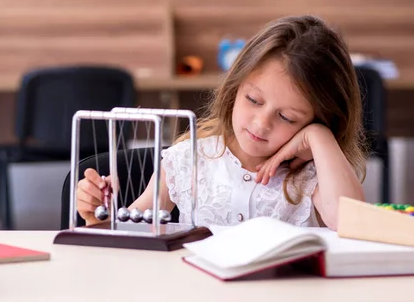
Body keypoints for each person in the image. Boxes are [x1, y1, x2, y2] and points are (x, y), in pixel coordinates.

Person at [77, 15, 367, 230]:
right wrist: (97, 218)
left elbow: (353, 226)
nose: (261, 123)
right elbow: (131, 237)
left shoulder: (315, 176)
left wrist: (319, 137)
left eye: (287, 117)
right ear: (234, 88)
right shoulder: (186, 160)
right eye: (253, 100)